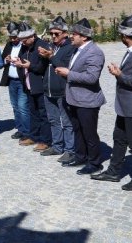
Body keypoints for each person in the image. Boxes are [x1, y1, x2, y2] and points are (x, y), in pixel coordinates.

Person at [91, 14, 132, 191]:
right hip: (125, 106)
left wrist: (120, 75)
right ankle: (113, 171)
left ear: (124, 36)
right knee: (119, 138)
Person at [55, 18, 106, 175]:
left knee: (89, 133)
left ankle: (95, 162)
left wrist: (68, 73)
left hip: (87, 100)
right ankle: (81, 156)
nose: (71, 36)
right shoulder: (77, 50)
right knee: (78, 130)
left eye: (74, 34)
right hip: (75, 98)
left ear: (84, 37)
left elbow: (91, 77)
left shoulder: (95, 52)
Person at [39, 16, 77, 160]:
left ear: (65, 33)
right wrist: (43, 57)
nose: (53, 36)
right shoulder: (51, 46)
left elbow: (64, 66)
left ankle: (70, 149)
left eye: (56, 33)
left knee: (67, 122)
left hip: (62, 91)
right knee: (53, 120)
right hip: (48, 89)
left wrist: (51, 57)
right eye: (51, 33)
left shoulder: (70, 48)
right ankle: (57, 146)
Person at [15, 22, 52, 152]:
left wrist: (28, 66)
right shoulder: (25, 46)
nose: (22, 43)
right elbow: (21, 60)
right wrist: (18, 63)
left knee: (43, 114)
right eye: (21, 40)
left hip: (40, 85)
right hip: (28, 85)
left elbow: (42, 68)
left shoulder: (42, 45)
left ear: (32, 36)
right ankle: (34, 136)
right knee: (33, 112)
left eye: (24, 40)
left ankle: (45, 140)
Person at [0, 21, 30, 140]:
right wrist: (6, 60)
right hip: (11, 80)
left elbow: (28, 61)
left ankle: (27, 131)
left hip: (22, 80)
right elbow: (3, 58)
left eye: (15, 37)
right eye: (11, 37)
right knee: (15, 106)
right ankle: (20, 129)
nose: (13, 39)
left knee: (23, 106)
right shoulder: (9, 45)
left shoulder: (25, 46)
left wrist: (20, 62)